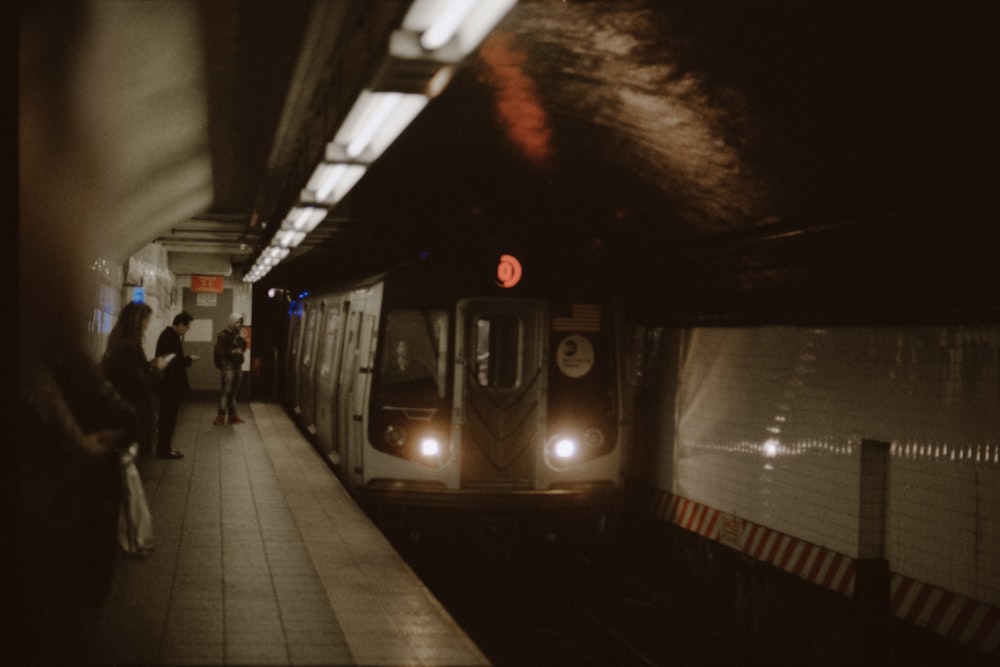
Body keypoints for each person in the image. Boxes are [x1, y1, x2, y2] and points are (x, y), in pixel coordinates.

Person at [102, 302, 165, 459]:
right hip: (133, 411)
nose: (146, 326)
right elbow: (140, 384)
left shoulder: (118, 343)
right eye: (146, 321)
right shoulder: (129, 347)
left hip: (123, 408)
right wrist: (158, 370)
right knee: (131, 465)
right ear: (138, 320)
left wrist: (148, 366)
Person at [154, 311, 198, 459]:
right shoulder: (170, 337)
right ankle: (164, 449)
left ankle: (165, 447)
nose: (187, 330)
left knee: (168, 417)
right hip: (170, 385)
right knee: (168, 418)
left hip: (169, 384)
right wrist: (189, 359)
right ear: (179, 324)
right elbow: (172, 361)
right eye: (186, 327)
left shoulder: (169, 336)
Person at [214, 312, 248, 425]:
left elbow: (243, 350)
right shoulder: (223, 334)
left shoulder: (240, 335)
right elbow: (219, 352)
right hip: (227, 365)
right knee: (225, 391)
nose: (239, 325)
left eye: (241, 322)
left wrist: (244, 340)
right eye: (237, 322)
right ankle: (220, 416)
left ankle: (233, 416)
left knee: (233, 393)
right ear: (232, 322)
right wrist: (232, 352)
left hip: (238, 366)